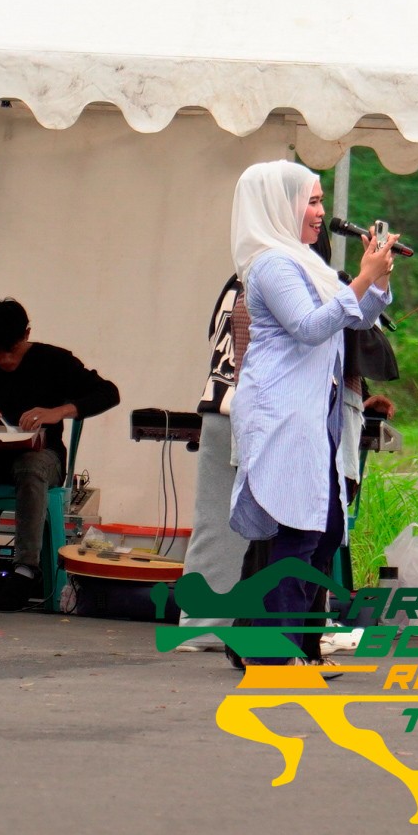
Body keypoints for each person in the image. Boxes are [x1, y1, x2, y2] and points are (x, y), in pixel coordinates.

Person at [227, 161, 393, 668]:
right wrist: (362, 278)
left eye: (321, 200)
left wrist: (376, 281)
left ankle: (283, 647)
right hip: (282, 409)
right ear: (282, 205)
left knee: (324, 528)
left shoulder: (304, 261)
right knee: (300, 531)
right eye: (312, 201)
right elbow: (309, 326)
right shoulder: (273, 264)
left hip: (314, 412)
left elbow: (355, 319)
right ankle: (273, 655)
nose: (321, 212)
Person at [0, 299, 120, 609]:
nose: (6, 360)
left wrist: (59, 411)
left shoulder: (55, 360)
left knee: (30, 467)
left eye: (12, 351)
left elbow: (108, 393)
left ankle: (25, 570)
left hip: (44, 456)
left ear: (27, 334)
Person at [175, 272, 251, 650]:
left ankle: (199, 626)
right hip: (258, 411)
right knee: (288, 528)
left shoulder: (236, 280)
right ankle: (287, 627)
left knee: (213, 521)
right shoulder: (290, 273)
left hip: (219, 405)